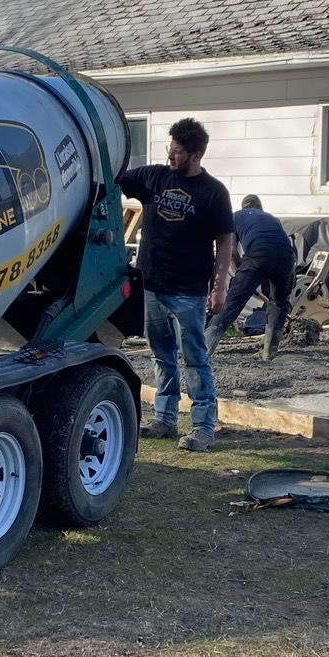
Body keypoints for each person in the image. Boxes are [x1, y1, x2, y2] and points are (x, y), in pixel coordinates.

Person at [118, 119, 233, 452]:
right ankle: (165, 420)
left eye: (178, 151)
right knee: (161, 355)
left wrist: (219, 287)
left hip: (189, 291)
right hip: (152, 285)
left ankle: (202, 427)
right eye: (170, 148)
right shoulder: (153, 176)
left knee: (194, 358)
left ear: (195, 155)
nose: (171, 155)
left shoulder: (213, 192)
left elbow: (225, 240)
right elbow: (116, 178)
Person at [204, 194, 295, 361]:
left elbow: (231, 252)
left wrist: (243, 276)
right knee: (279, 302)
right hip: (287, 256)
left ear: (243, 206)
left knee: (233, 302)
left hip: (258, 253)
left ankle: (204, 350)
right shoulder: (272, 218)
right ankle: (269, 351)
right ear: (259, 207)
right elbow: (280, 245)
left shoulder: (234, 217)